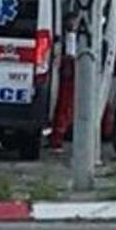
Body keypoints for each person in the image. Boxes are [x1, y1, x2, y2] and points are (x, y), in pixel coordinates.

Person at [49, 12, 78, 152]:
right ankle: (57, 139)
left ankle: (55, 136)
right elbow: (71, 56)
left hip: (63, 73)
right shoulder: (70, 37)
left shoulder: (62, 37)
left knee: (61, 107)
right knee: (64, 107)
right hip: (68, 74)